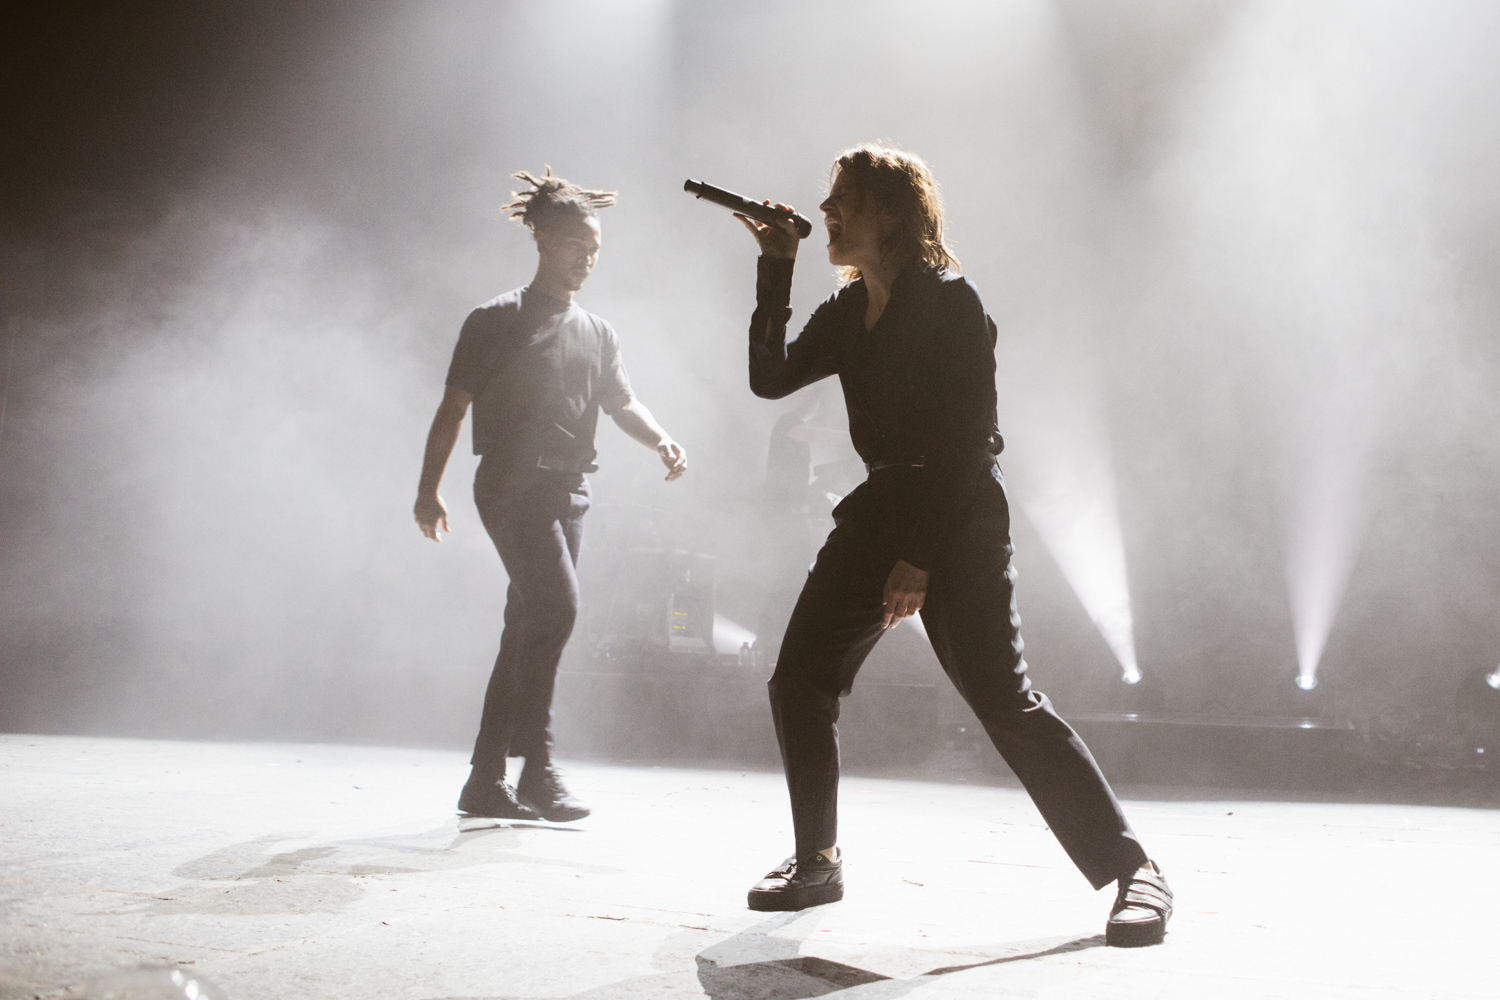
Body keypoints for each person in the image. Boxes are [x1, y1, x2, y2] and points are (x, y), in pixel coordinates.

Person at [733, 145, 1172, 947]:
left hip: (958, 513)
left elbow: (971, 443)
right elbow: (769, 380)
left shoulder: (950, 304)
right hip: (881, 507)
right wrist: (776, 268)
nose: (824, 210)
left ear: (891, 215)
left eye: (844, 200)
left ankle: (1133, 870)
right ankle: (818, 861)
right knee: (799, 678)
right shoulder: (846, 311)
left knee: (1004, 700)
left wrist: (922, 557)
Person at [415, 168, 687, 822]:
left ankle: (485, 782)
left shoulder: (597, 332)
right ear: (542, 238)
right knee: (558, 608)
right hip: (510, 483)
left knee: (527, 624)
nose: (587, 258)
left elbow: (621, 403)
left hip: (570, 490)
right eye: (577, 246)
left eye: (595, 249)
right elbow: (452, 409)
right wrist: (428, 490)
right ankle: (537, 768)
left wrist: (662, 440)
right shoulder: (494, 319)